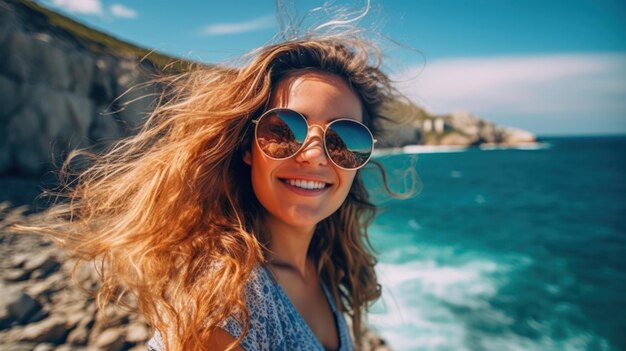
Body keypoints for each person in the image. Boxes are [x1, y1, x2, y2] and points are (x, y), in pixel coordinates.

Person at [20, 29, 415, 350]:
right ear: (247, 147)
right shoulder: (226, 301)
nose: (314, 155)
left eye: (344, 138)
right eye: (284, 130)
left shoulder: (325, 266)